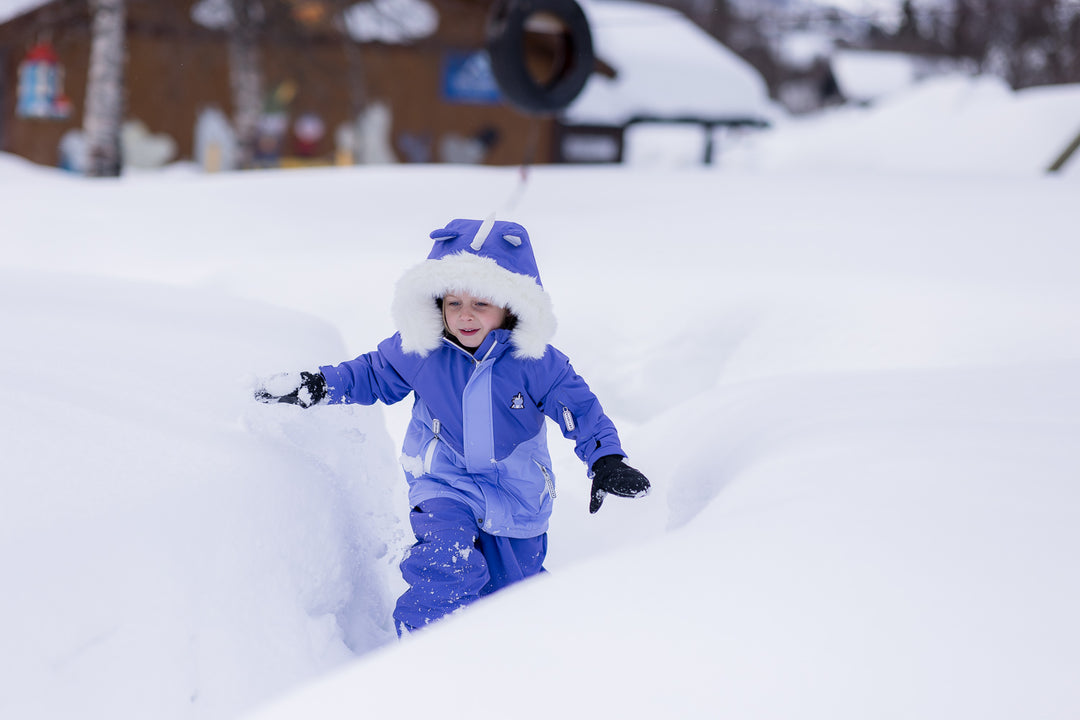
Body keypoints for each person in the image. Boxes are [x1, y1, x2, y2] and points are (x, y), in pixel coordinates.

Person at [255, 217, 650, 635]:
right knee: (446, 561)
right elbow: (371, 373)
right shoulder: (422, 349)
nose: (464, 316)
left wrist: (606, 459)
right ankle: (425, 647)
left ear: (511, 306)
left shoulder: (537, 363)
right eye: (453, 303)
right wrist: (317, 385)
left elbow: (581, 411)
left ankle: (519, 655)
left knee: (515, 595)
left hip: (516, 495)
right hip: (445, 481)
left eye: (481, 304)